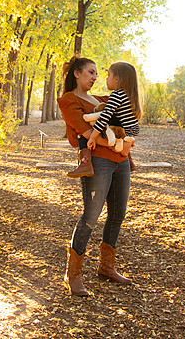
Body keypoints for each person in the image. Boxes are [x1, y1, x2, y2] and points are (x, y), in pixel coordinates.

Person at [57, 57, 138, 296]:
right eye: (90, 72)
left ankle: (106, 267)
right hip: (98, 163)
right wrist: (116, 146)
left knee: (117, 215)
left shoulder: (103, 99)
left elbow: (123, 117)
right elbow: (85, 131)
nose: (95, 77)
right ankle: (73, 275)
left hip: (121, 162)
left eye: (96, 73)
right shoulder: (69, 101)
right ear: (77, 74)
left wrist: (123, 144)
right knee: (91, 216)